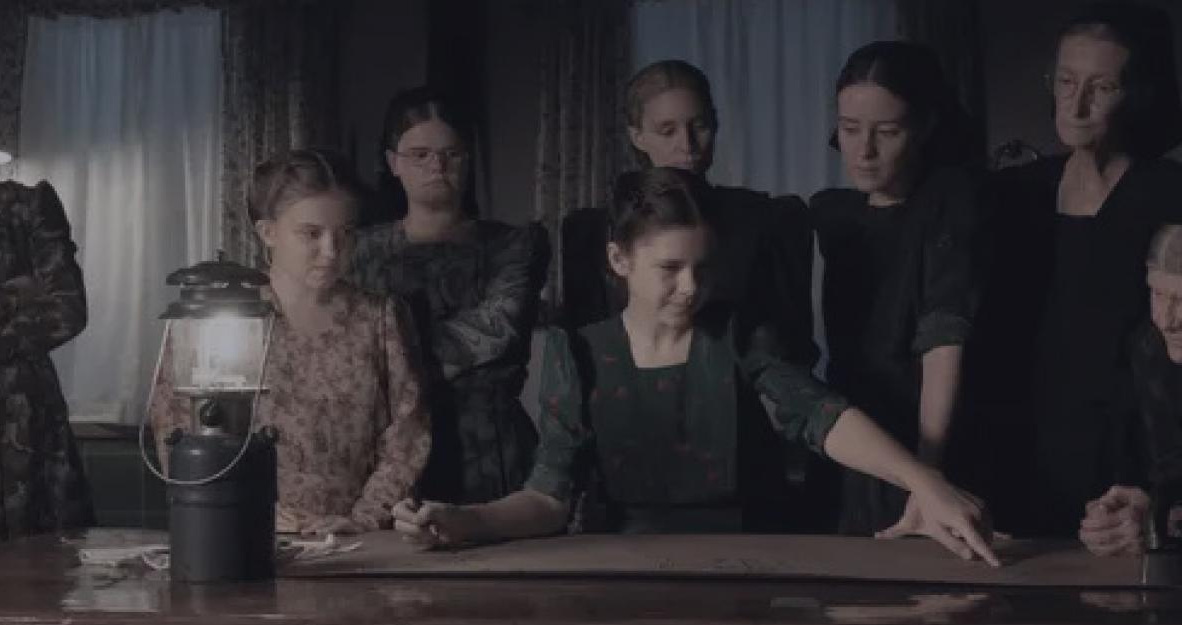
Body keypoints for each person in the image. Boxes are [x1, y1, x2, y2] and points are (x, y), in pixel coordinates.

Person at [395, 168, 997, 566]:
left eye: (703, 268)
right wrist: (465, 521)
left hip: (748, 561)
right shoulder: (578, 353)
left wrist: (925, 481)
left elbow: (818, 414)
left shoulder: (739, 334)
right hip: (622, 567)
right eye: (670, 268)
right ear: (618, 259)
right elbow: (549, 500)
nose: (691, 287)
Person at [970, 1, 1182, 537]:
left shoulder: (1170, 196)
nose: (1077, 104)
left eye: (1101, 87)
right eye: (1066, 82)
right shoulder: (1013, 195)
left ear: (1138, 93)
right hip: (1016, 462)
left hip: (1128, 472)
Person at [151, 149, 429, 535]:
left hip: (356, 542)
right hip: (239, 531)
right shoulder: (218, 321)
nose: (331, 252)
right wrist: (245, 507)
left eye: (345, 234)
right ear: (268, 233)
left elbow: (407, 435)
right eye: (311, 234)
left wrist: (361, 521)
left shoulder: (379, 319)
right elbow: (176, 431)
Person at [811, 41, 982, 536]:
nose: (863, 150)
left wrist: (927, 476)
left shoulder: (951, 199)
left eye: (887, 131)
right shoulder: (832, 213)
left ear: (925, 127)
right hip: (849, 438)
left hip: (931, 436)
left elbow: (943, 336)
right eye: (849, 129)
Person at [353, 87, 549, 504]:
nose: (437, 166)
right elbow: (348, 344)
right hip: (389, 449)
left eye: (451, 153)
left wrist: (391, 361)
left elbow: (499, 329)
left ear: (468, 159)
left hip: (491, 445)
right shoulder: (358, 251)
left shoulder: (514, 245)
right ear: (393, 163)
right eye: (419, 154)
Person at [559, 59, 814, 363]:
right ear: (636, 136)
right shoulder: (593, 232)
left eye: (699, 126)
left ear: (715, 124)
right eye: (667, 131)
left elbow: (791, 345)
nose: (688, 145)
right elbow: (584, 350)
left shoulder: (764, 220)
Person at [0, 179, 93, 543]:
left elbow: (67, 310)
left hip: (20, 431)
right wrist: (12, 298)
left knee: (35, 580)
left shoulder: (25, 204)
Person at [1080, 225, 1182, 557]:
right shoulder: (1146, 349)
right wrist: (1131, 506)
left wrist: (1165, 521)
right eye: (1158, 294)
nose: (1167, 320)